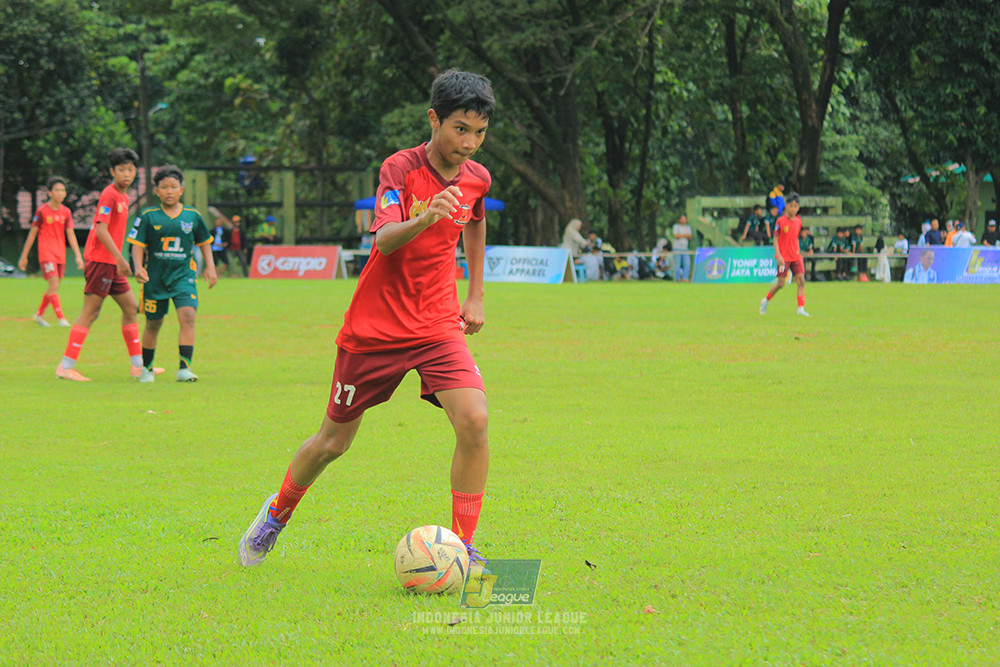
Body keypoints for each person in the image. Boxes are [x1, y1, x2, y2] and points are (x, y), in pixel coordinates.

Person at [238, 69, 495, 572]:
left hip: (438, 324)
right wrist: (426, 216)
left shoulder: (477, 178)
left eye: (480, 132)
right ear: (434, 119)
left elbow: (477, 220)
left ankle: (463, 548)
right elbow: (385, 239)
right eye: (460, 129)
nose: (469, 143)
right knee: (333, 443)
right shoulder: (400, 169)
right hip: (375, 329)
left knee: (475, 420)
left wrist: (476, 294)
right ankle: (277, 512)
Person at [54, 148, 163, 381]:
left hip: (111, 263)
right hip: (100, 262)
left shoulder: (124, 196)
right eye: (122, 169)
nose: (127, 174)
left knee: (131, 308)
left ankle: (137, 366)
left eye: (131, 170)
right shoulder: (110, 195)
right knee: (90, 312)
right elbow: (101, 229)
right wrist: (121, 259)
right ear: (112, 171)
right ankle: (65, 366)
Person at [127, 165, 218, 383]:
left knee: (188, 317)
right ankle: (147, 369)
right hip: (155, 278)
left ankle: (184, 369)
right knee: (153, 323)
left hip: (183, 276)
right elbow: (137, 245)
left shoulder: (192, 216)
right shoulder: (148, 216)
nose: (169, 191)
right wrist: (138, 267)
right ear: (157, 191)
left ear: (181, 190)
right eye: (164, 187)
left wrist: (211, 267)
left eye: (174, 187)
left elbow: (205, 242)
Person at [18, 176, 84, 327]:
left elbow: (71, 234)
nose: (60, 193)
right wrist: (24, 256)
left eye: (63, 190)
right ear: (49, 192)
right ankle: (61, 318)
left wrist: (78, 256)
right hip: (46, 253)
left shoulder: (66, 212)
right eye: (57, 190)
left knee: (54, 287)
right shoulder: (42, 211)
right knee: (53, 284)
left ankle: (39, 315)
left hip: (60, 253)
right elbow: (32, 234)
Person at [759, 192, 809, 316]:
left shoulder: (798, 221)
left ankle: (801, 309)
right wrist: (779, 256)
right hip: (784, 257)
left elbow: (795, 237)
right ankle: (765, 300)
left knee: (801, 281)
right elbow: (775, 239)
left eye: (796, 206)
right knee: (781, 283)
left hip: (796, 256)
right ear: (786, 206)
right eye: (791, 206)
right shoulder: (780, 221)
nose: (793, 209)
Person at [671, 214, 692, 282]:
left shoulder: (688, 227)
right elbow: (676, 235)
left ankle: (685, 278)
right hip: (677, 248)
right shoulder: (676, 226)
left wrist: (681, 235)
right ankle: (677, 278)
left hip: (685, 248)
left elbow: (689, 236)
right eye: (683, 219)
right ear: (679, 220)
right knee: (677, 264)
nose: (684, 220)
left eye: (685, 219)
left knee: (687, 263)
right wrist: (685, 235)